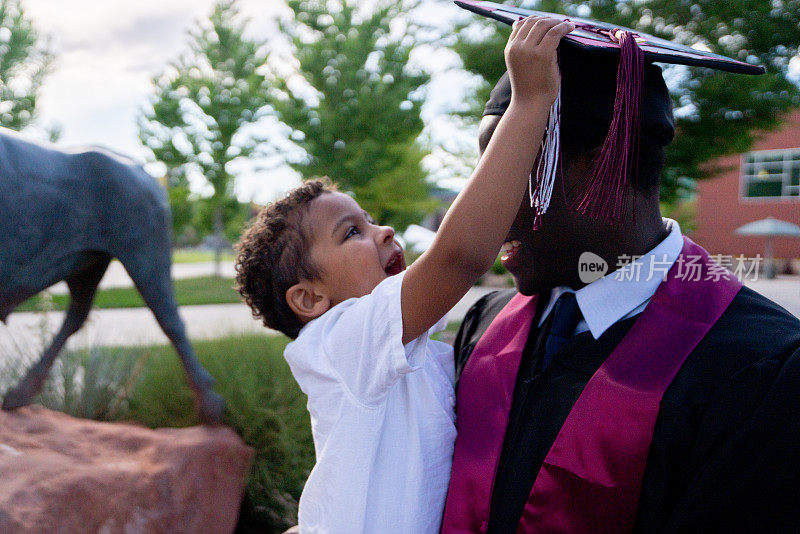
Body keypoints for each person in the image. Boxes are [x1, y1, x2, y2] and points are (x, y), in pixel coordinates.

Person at [441, 21, 800, 534]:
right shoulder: (485, 326)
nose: (476, 200)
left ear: (598, 168)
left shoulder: (761, 368)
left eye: (504, 162)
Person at [234, 17, 574, 533]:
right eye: (352, 233)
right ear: (309, 298)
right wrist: (530, 102)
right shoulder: (343, 338)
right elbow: (456, 259)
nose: (384, 230)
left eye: (369, 218)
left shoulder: (403, 348)